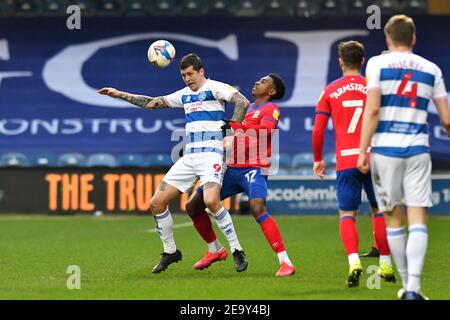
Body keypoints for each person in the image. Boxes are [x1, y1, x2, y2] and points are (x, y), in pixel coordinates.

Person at [97, 53, 251, 273]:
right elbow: (151, 103)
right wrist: (119, 94)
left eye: (190, 73)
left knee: (211, 200)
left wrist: (231, 130)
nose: (187, 78)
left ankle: (237, 250)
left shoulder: (215, 87)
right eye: (183, 75)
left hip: (212, 155)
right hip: (189, 157)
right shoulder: (185, 95)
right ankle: (171, 252)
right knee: (156, 203)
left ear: (201, 71)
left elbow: (242, 101)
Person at [357, 15, 450, 300]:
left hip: (385, 150)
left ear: (388, 39)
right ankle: (414, 288)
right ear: (413, 38)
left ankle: (408, 286)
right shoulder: (431, 69)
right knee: (419, 216)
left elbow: (372, 110)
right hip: (418, 149)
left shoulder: (376, 64)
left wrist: (363, 150)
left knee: (393, 217)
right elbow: (446, 119)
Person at [185, 74, 295, 277]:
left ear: (271, 91)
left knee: (257, 207)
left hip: (254, 167)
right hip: (230, 167)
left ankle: (285, 261)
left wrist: (239, 127)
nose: (256, 82)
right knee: (193, 205)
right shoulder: (243, 108)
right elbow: (229, 134)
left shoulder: (270, 109)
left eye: (263, 82)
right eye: (258, 80)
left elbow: (267, 131)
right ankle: (214, 249)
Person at [312, 41, 395, 288]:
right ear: (362, 61)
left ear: (340, 62)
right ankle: (385, 264)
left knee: (347, 213)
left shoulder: (329, 91)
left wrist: (318, 159)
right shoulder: (373, 86)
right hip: (374, 157)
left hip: (346, 159)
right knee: (379, 210)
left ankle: (354, 262)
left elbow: (318, 130)